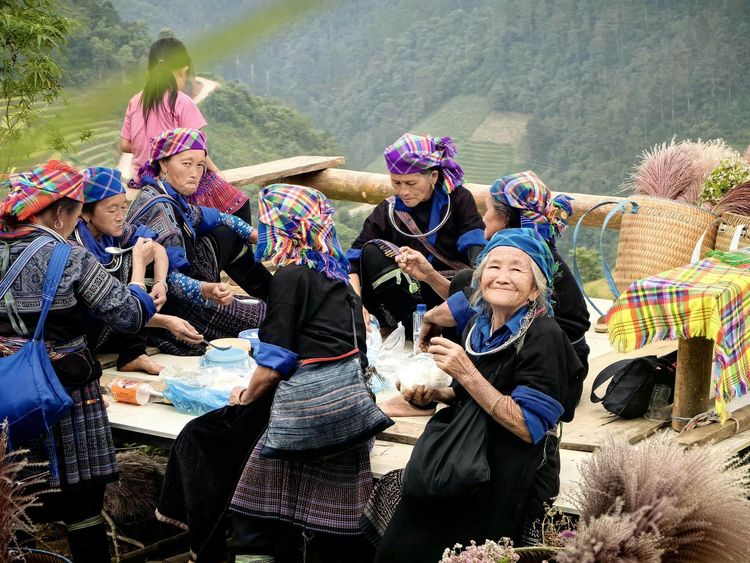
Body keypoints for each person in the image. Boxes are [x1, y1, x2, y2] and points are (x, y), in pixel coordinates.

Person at [373, 229, 584, 563]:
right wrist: (434, 394)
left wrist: (466, 372)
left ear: (535, 288)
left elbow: (528, 426)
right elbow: (466, 397)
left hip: (504, 476)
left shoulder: (544, 336)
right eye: (493, 267)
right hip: (463, 459)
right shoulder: (479, 326)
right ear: (480, 279)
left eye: (517, 269)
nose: (502, 276)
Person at [0, 161, 158, 562]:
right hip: (65, 394)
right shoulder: (69, 256)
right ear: (59, 213)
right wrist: (139, 278)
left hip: (7, 388)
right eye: (74, 214)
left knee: (11, 489)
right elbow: (127, 315)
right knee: (82, 500)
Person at [226, 184, 377, 562]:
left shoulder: (292, 275)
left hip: (311, 411)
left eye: (267, 223)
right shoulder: (338, 275)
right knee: (326, 526)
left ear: (283, 229)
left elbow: (274, 364)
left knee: (249, 510)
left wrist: (244, 397)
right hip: (352, 407)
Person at [394, 171, 590, 419]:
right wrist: (430, 275)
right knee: (466, 280)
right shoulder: (532, 252)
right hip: (549, 364)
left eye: (487, 210)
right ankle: (446, 391)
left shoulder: (531, 265)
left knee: (466, 284)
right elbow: (473, 300)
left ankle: (440, 394)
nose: (483, 218)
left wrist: (432, 319)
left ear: (505, 218)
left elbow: (464, 307)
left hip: (550, 377)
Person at [127, 128, 271, 355]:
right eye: (186, 164)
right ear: (164, 163)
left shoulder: (166, 194)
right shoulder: (161, 211)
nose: (195, 173)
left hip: (186, 282)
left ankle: (268, 292)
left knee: (226, 232)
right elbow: (170, 280)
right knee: (267, 317)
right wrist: (207, 289)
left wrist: (258, 236)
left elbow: (217, 217)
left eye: (200, 165)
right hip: (172, 305)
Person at [347, 133, 486, 334]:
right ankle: (411, 328)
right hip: (408, 296)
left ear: (433, 177)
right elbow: (353, 259)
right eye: (397, 183)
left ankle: (449, 325)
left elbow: (475, 246)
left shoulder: (458, 201)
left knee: (467, 277)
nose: (403, 191)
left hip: (446, 292)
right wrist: (356, 304)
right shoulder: (390, 210)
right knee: (371, 253)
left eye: (411, 183)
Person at [75, 166, 203, 373]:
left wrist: (161, 283)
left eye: (123, 207)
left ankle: (134, 354)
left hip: (119, 319)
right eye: (111, 210)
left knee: (144, 250)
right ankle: (133, 352)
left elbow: (156, 248)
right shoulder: (77, 247)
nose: (120, 216)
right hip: (88, 331)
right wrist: (166, 321)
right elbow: (109, 308)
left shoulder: (114, 231)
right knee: (133, 259)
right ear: (85, 213)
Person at [121, 36, 249, 219]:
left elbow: (125, 145)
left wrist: (150, 144)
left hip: (142, 179)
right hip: (173, 179)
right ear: (182, 70)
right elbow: (197, 148)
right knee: (239, 203)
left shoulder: (135, 101)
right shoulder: (180, 101)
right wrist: (217, 172)